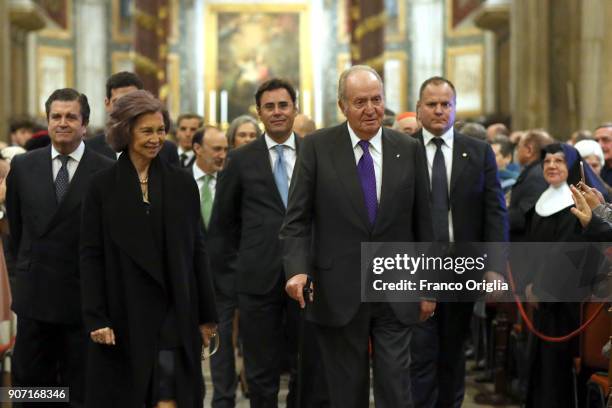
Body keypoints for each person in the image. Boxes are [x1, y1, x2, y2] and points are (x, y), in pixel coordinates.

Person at [281, 65, 434, 408]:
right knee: (346, 392)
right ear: (342, 106)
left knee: (396, 388)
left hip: (397, 287)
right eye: (360, 101)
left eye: (377, 100)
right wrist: (297, 269)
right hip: (339, 290)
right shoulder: (318, 147)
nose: (371, 109)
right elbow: (297, 220)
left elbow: (423, 223)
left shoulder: (407, 148)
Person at [80, 90, 218, 407]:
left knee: (170, 394)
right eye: (147, 131)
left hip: (175, 310)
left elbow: (197, 249)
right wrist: (96, 317)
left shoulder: (182, 184)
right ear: (125, 132)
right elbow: (91, 256)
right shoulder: (102, 186)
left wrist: (207, 315)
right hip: (123, 311)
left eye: (160, 130)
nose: (156, 139)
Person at [211, 78, 327, 408]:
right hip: (256, 281)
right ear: (259, 112)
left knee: (307, 365)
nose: (277, 112)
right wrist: (233, 277)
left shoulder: (316, 153)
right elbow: (223, 226)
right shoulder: (239, 159)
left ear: (295, 108)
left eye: (283, 105)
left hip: (307, 279)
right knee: (261, 371)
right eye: (269, 106)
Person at [6, 88, 114, 407]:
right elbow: (17, 225)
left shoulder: (107, 170)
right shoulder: (24, 166)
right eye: (56, 116)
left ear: (85, 124)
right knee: (30, 389)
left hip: (82, 300)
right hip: (34, 296)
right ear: (47, 120)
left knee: (78, 389)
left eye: (71, 117)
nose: (63, 123)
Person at [410, 76, 508, 408]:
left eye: (445, 104)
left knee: (452, 358)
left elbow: (495, 213)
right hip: (414, 270)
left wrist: (494, 267)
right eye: (432, 104)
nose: (439, 110)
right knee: (420, 357)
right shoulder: (403, 151)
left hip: (461, 268)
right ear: (419, 108)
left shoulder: (478, 152)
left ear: (454, 108)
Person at [521, 143, 606, 408]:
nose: (552, 166)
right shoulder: (543, 200)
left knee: (557, 369)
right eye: (547, 161)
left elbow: (569, 256)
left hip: (564, 299)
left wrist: (542, 290)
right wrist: (528, 284)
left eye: (559, 161)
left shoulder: (578, 205)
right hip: (541, 297)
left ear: (570, 167)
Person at [187, 126, 235, 407]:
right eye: (216, 149)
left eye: (225, 149)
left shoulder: (231, 180)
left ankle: (224, 401)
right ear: (197, 148)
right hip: (187, 279)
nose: (222, 155)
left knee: (223, 346)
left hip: (225, 278)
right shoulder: (178, 180)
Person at [86, 71, 179, 166]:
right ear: (107, 104)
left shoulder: (166, 149)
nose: (126, 109)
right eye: (119, 102)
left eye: (133, 102)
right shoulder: (89, 148)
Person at [508, 130, 553, 242]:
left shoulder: (537, 175)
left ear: (529, 150)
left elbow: (525, 217)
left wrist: (497, 215)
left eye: (518, 148)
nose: (517, 152)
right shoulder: (536, 171)